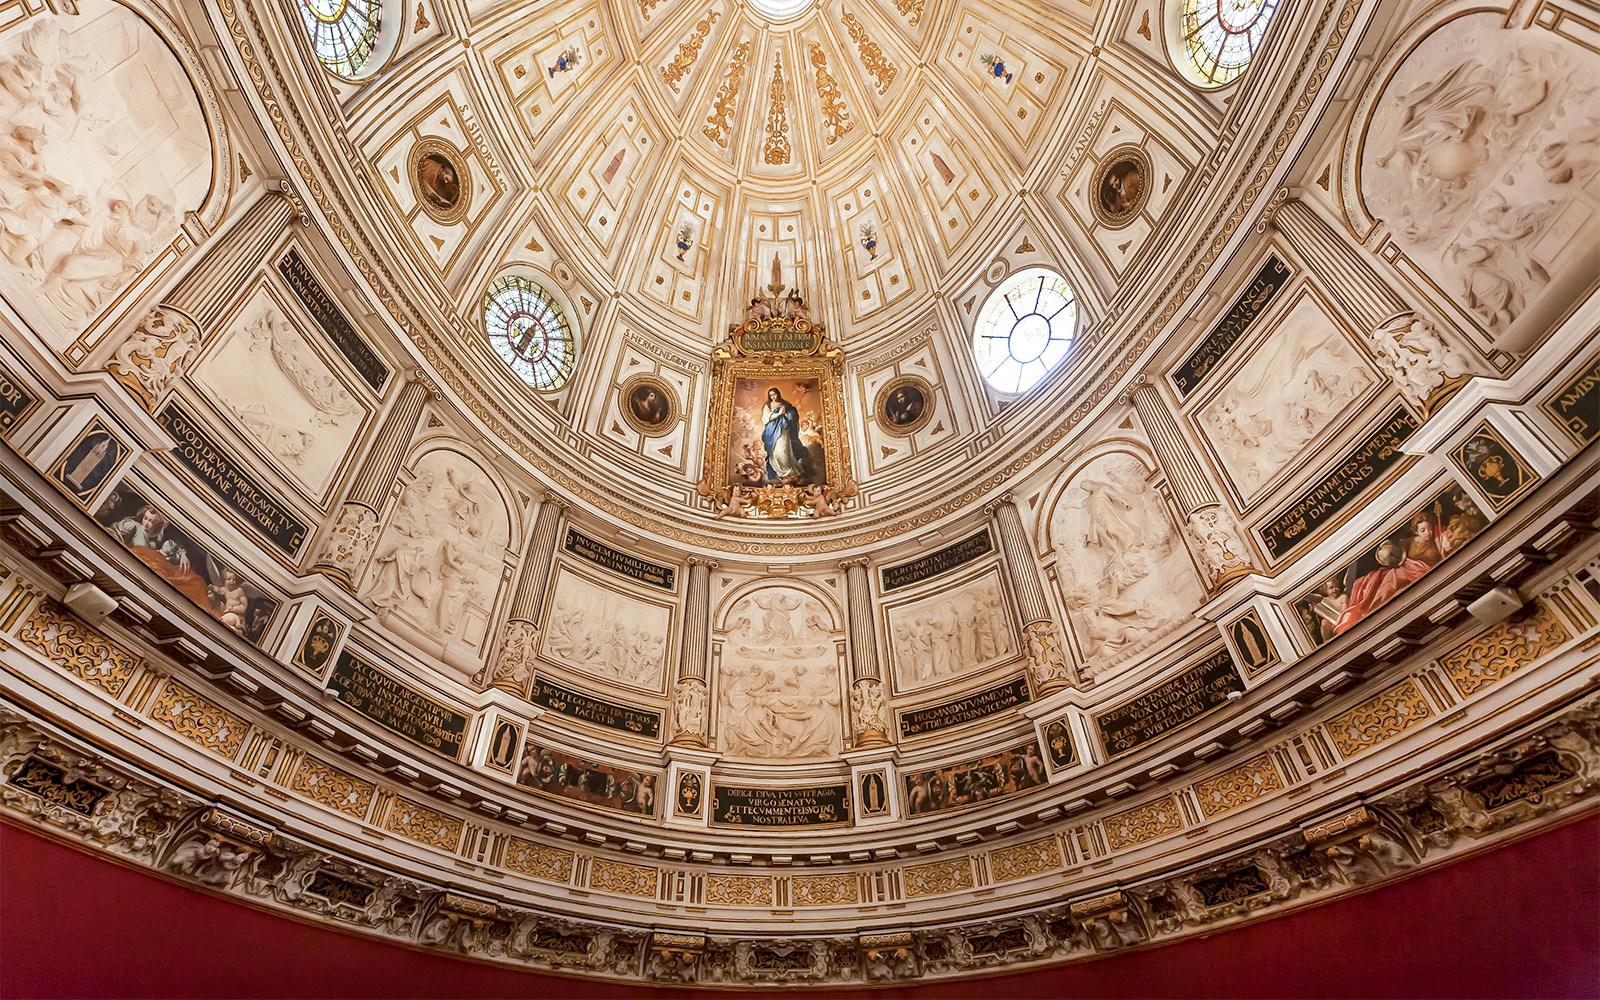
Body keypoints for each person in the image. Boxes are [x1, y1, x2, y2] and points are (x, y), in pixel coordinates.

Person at [760, 387, 810, 485]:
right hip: (771, 431)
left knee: (783, 450)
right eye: (771, 395)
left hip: (783, 430)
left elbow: (792, 415)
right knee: (774, 453)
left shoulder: (785, 404)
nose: (773, 397)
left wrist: (786, 414)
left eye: (774, 394)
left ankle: (789, 472)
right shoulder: (768, 405)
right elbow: (765, 419)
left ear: (778, 394)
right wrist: (778, 414)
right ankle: (782, 474)